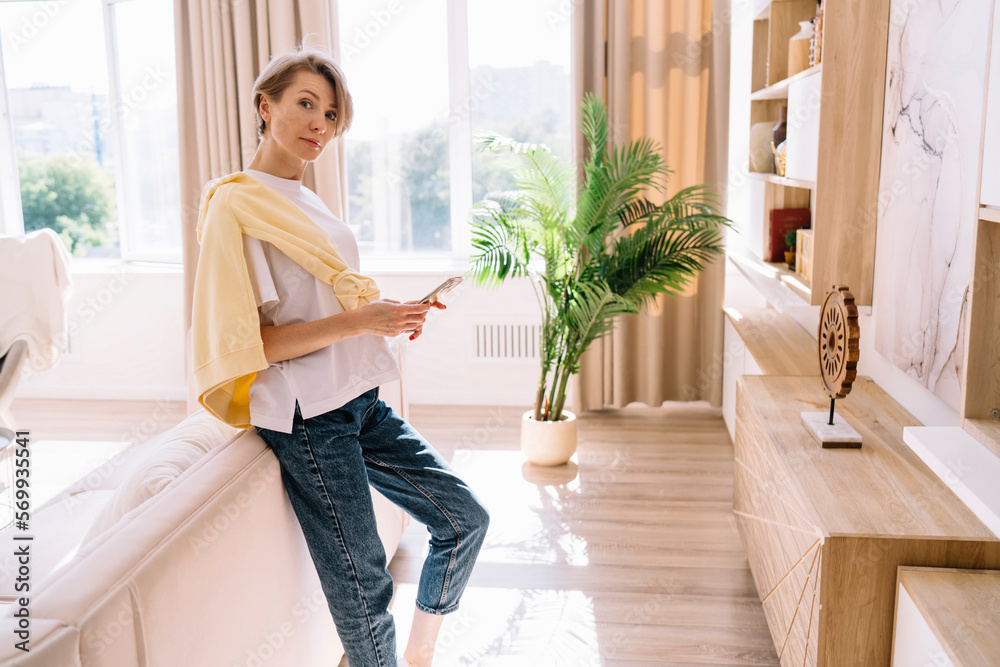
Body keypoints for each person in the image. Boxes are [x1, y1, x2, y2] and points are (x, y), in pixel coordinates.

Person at [192, 46, 490, 667]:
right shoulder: (237, 205)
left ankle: (420, 655)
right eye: (305, 104)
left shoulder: (307, 199)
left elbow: (324, 305)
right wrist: (363, 319)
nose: (319, 125)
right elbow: (257, 343)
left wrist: (388, 315)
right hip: (309, 419)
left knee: (464, 519)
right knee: (363, 586)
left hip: (359, 399)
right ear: (263, 104)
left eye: (330, 114)